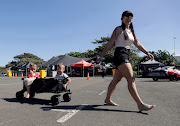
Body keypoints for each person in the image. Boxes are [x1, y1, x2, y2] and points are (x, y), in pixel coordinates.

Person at [97, 10, 155, 112]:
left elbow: (137, 43)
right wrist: (101, 56)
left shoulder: (131, 31)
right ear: (122, 18)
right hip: (120, 54)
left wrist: (147, 52)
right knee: (131, 78)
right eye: (126, 16)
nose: (129, 18)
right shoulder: (118, 29)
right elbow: (110, 43)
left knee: (116, 80)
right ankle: (140, 104)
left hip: (126, 54)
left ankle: (107, 99)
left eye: (130, 17)